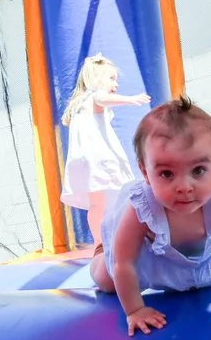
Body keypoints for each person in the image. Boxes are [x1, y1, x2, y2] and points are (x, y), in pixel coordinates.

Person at [90, 97, 211, 339]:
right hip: (151, 258)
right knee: (107, 280)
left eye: (198, 171)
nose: (185, 186)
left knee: (207, 282)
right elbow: (124, 262)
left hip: (200, 259)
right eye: (166, 173)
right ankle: (100, 252)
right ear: (145, 171)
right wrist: (135, 309)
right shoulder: (142, 208)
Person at [60, 54, 150, 244]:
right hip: (100, 160)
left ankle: (101, 242)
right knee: (123, 197)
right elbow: (103, 98)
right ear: (96, 79)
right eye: (111, 79)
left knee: (98, 205)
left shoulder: (79, 104)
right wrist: (130, 99)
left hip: (85, 162)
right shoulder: (94, 97)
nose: (115, 84)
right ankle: (127, 236)